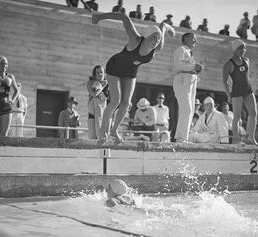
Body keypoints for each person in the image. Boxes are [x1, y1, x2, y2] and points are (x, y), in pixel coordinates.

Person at [92, 11, 175, 144]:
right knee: (115, 101)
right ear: (146, 36)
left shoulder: (157, 48)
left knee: (125, 104)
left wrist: (169, 28)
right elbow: (123, 17)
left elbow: (163, 27)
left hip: (130, 72)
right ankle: (103, 132)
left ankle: (114, 130)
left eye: (158, 39)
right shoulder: (136, 39)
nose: (156, 41)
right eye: (153, 38)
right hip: (114, 68)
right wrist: (99, 17)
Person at [222, 39, 258, 145]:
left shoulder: (246, 60)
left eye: (244, 48)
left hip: (248, 89)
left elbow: (246, 76)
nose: (243, 50)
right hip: (237, 91)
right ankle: (236, 140)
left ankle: (250, 137)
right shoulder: (229, 64)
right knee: (237, 117)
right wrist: (228, 94)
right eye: (240, 48)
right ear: (235, 49)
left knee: (253, 113)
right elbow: (224, 81)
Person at [172, 32, 204, 142]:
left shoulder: (189, 53)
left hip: (190, 81)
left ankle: (182, 137)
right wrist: (194, 66)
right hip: (182, 80)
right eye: (193, 38)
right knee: (186, 109)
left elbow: (188, 67)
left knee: (189, 110)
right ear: (185, 39)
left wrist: (196, 69)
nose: (195, 40)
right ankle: (181, 138)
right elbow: (178, 65)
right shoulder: (180, 49)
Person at [87, 65, 108, 139]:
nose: (100, 74)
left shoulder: (108, 84)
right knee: (92, 138)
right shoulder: (90, 83)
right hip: (92, 114)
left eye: (101, 72)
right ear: (94, 74)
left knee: (103, 137)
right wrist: (102, 86)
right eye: (98, 73)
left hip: (104, 115)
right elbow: (94, 94)